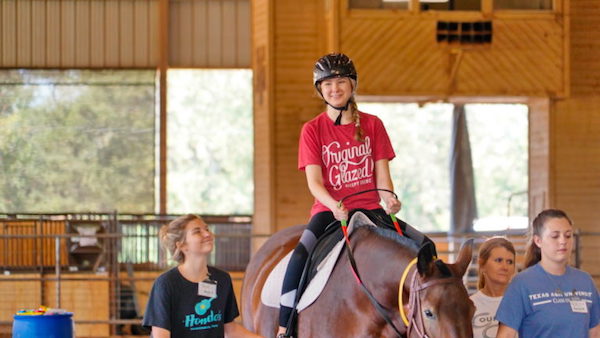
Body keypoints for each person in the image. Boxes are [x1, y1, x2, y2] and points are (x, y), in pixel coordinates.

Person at [277, 53, 432, 337]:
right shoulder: (312, 130)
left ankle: (423, 321)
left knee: (426, 247)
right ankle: (284, 326)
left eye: (340, 82)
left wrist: (391, 199)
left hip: (370, 209)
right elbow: (314, 182)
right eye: (327, 84)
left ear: (352, 85)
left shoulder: (373, 125)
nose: (334, 89)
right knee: (300, 256)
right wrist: (333, 205)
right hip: (330, 211)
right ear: (320, 90)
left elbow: (382, 177)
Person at [142, 214, 262, 338]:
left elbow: (230, 329)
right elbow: (161, 335)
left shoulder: (222, 279)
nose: (207, 234)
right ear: (182, 245)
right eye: (197, 231)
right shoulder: (166, 284)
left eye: (207, 229)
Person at [495, 209, 600, 338]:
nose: (563, 241)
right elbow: (505, 335)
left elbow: (595, 333)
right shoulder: (522, 283)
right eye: (555, 236)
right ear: (538, 241)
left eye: (568, 235)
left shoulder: (585, 281)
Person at [470, 237, 516, 338]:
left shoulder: (521, 303)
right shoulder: (469, 305)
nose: (505, 267)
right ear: (482, 264)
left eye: (510, 262)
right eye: (499, 260)